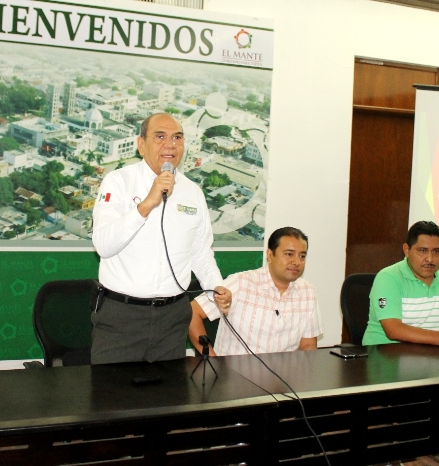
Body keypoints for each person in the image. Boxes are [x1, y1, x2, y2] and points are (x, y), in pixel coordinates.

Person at [91, 113, 232, 364]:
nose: (170, 144)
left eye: (177, 137)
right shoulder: (119, 182)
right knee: (112, 399)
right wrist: (147, 204)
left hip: (173, 317)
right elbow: (103, 245)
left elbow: (200, 253)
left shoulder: (193, 192)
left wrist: (216, 288)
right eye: (160, 137)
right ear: (141, 144)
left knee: (170, 398)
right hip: (122, 316)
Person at [188, 227, 323, 356]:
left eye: (302, 256)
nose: (296, 262)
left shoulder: (308, 292)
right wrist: (213, 361)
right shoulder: (240, 283)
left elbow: (308, 346)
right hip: (233, 374)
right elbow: (192, 313)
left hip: (282, 375)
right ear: (270, 255)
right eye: (289, 254)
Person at [362, 221, 439, 349]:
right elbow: (393, 330)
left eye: (436, 251)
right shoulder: (388, 277)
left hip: (437, 356)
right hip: (387, 356)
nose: (430, 259)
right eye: (422, 251)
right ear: (407, 250)